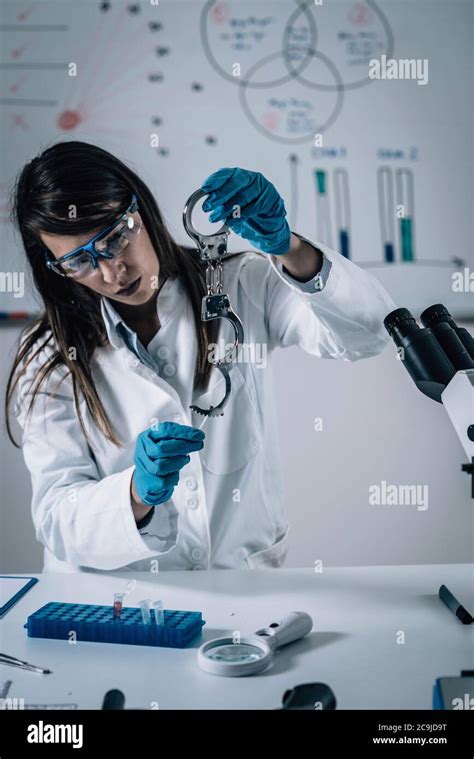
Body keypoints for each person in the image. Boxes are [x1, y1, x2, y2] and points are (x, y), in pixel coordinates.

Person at [6, 141, 395, 573]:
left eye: (117, 236)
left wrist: (290, 248)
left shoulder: (242, 283)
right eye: (80, 261)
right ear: (54, 266)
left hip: (241, 587)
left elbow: (369, 333)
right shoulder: (49, 354)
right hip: (118, 609)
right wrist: (136, 493)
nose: (113, 271)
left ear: (142, 207)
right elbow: (56, 516)